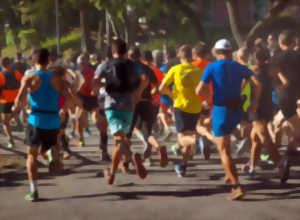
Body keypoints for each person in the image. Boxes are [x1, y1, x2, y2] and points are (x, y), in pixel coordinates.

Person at [195, 39, 261, 200]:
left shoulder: (211, 67)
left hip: (221, 110)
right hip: (237, 110)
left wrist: (207, 98)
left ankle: (236, 186)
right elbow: (257, 84)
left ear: (217, 52)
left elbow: (198, 90)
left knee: (223, 150)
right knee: (227, 147)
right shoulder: (239, 66)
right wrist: (254, 104)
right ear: (230, 52)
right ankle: (229, 173)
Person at [11, 48, 80, 201]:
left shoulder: (29, 77)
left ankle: (34, 191)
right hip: (53, 120)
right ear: (48, 61)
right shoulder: (57, 78)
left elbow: (20, 99)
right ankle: (49, 153)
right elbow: (70, 98)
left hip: (36, 119)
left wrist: (14, 111)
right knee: (46, 148)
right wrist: (63, 110)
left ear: (34, 61)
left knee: (32, 155)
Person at [93, 38, 148, 184]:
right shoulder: (132, 64)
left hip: (112, 105)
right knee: (120, 141)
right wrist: (138, 93)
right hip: (128, 106)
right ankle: (111, 173)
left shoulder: (105, 64)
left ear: (113, 51)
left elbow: (95, 81)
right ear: (126, 51)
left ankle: (132, 158)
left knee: (119, 139)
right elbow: (144, 79)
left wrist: (98, 89)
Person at [160, 44, 203, 177]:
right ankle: (183, 166)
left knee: (183, 137)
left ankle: (196, 141)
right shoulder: (198, 71)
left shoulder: (175, 69)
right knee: (187, 135)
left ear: (179, 56)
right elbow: (203, 88)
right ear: (191, 56)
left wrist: (172, 95)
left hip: (180, 106)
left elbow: (162, 88)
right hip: (195, 107)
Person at [241, 46, 282, 176]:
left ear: (254, 57)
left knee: (264, 138)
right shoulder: (272, 69)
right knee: (255, 138)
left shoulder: (253, 69)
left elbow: (242, 86)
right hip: (269, 105)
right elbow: (279, 84)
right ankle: (252, 166)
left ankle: (281, 165)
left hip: (256, 106)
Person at [127, 47, 168, 168]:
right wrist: (151, 93)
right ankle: (158, 147)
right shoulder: (147, 69)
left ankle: (128, 160)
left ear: (129, 57)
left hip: (132, 103)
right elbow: (157, 85)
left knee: (128, 133)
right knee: (147, 132)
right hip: (147, 102)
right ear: (140, 56)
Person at [271, 30, 300, 183]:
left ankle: (287, 158)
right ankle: (288, 157)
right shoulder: (298, 56)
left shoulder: (275, 58)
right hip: (297, 97)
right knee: (294, 131)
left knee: (294, 131)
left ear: (280, 42)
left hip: (283, 99)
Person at [76, 53, 111, 161]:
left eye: (82, 63)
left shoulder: (93, 71)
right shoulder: (77, 72)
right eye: (80, 63)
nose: (81, 65)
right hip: (82, 97)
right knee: (78, 118)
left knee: (98, 121)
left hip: (92, 98)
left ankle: (103, 147)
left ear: (86, 62)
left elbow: (100, 82)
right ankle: (81, 138)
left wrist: (96, 88)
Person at [0, 57, 23, 147]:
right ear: (10, 64)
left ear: (2, 65)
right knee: (13, 114)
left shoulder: (1, 75)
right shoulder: (16, 73)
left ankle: (10, 139)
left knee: (5, 122)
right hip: (16, 100)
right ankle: (16, 118)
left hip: (4, 101)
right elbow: (23, 83)